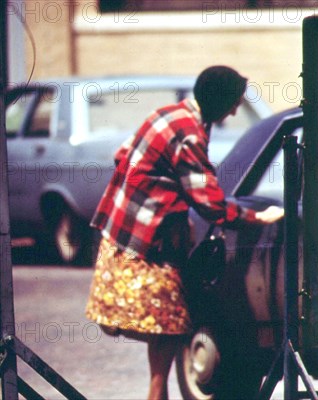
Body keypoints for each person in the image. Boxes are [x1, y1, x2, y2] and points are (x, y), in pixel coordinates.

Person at [85, 65, 283, 399]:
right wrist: (257, 218)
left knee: (166, 326)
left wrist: (175, 207)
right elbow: (210, 204)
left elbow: (125, 156)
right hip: (144, 240)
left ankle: (156, 390)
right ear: (220, 102)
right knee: (169, 321)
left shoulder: (168, 114)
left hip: (124, 231)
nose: (236, 110)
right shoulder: (190, 133)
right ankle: (156, 390)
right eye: (234, 102)